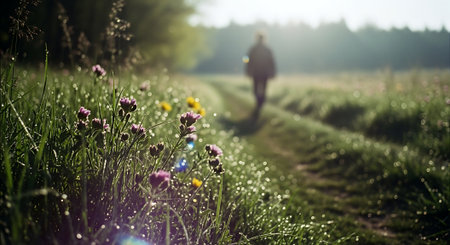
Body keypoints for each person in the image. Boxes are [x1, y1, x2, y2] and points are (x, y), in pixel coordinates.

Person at [245, 31, 276, 118]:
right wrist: (272, 72)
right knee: (259, 89)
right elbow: (247, 60)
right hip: (261, 72)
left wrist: (248, 70)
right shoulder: (265, 49)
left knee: (257, 89)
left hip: (258, 72)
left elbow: (246, 60)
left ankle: (260, 102)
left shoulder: (254, 49)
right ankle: (260, 102)